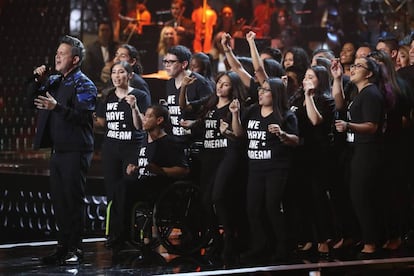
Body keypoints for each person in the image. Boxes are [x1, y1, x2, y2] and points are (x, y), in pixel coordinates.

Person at [27, 35, 97, 265]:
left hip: (76, 150)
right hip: (58, 151)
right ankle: (62, 246)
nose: (57, 56)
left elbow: (83, 117)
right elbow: (30, 100)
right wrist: (36, 80)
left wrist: (57, 107)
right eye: (57, 53)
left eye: (63, 53)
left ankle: (76, 248)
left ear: (75, 59)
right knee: (59, 201)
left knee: (72, 200)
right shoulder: (55, 81)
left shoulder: (84, 84)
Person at [180, 71, 248, 264]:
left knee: (218, 197)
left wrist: (231, 124)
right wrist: (184, 88)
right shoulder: (210, 105)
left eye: (225, 84)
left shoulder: (234, 106)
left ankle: (229, 240)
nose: (220, 87)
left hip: (227, 155)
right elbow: (186, 108)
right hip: (208, 156)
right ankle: (217, 241)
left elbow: (239, 134)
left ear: (232, 88)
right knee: (205, 200)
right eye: (219, 83)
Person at [231, 78, 299, 264]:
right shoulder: (252, 111)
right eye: (261, 89)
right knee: (252, 208)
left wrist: (282, 134)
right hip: (255, 168)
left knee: (272, 207)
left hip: (276, 167)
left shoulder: (285, 115)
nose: (260, 92)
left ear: (276, 94)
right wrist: (236, 115)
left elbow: (296, 140)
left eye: (266, 90)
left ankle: (283, 248)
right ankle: (260, 246)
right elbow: (238, 134)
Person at [94, 61, 150, 249]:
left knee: (127, 189)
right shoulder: (108, 96)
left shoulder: (140, 95)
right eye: (114, 73)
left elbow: (140, 126)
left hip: (131, 148)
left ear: (130, 75)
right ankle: (115, 233)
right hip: (111, 148)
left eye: (121, 72)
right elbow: (101, 122)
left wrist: (134, 107)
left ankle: (129, 232)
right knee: (112, 190)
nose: (117, 76)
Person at [335, 57, 385, 259]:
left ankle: (371, 243)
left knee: (361, 197)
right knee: (353, 196)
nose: (353, 68)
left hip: (367, 151)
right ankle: (361, 237)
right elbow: (339, 105)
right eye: (353, 65)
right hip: (354, 150)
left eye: (358, 66)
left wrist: (348, 126)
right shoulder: (358, 92)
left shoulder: (371, 93)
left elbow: (372, 126)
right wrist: (337, 78)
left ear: (370, 73)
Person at [162, 45, 213, 144]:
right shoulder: (169, 83)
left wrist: (195, 123)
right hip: (176, 139)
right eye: (165, 62)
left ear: (184, 64)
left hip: (195, 141)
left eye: (171, 62)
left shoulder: (199, 82)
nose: (166, 65)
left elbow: (211, 110)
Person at [82, 19, 117, 91]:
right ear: (98, 32)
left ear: (110, 32)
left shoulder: (115, 48)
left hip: (113, 85)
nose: (105, 33)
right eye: (102, 30)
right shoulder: (90, 49)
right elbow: (88, 72)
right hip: (97, 85)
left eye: (107, 30)